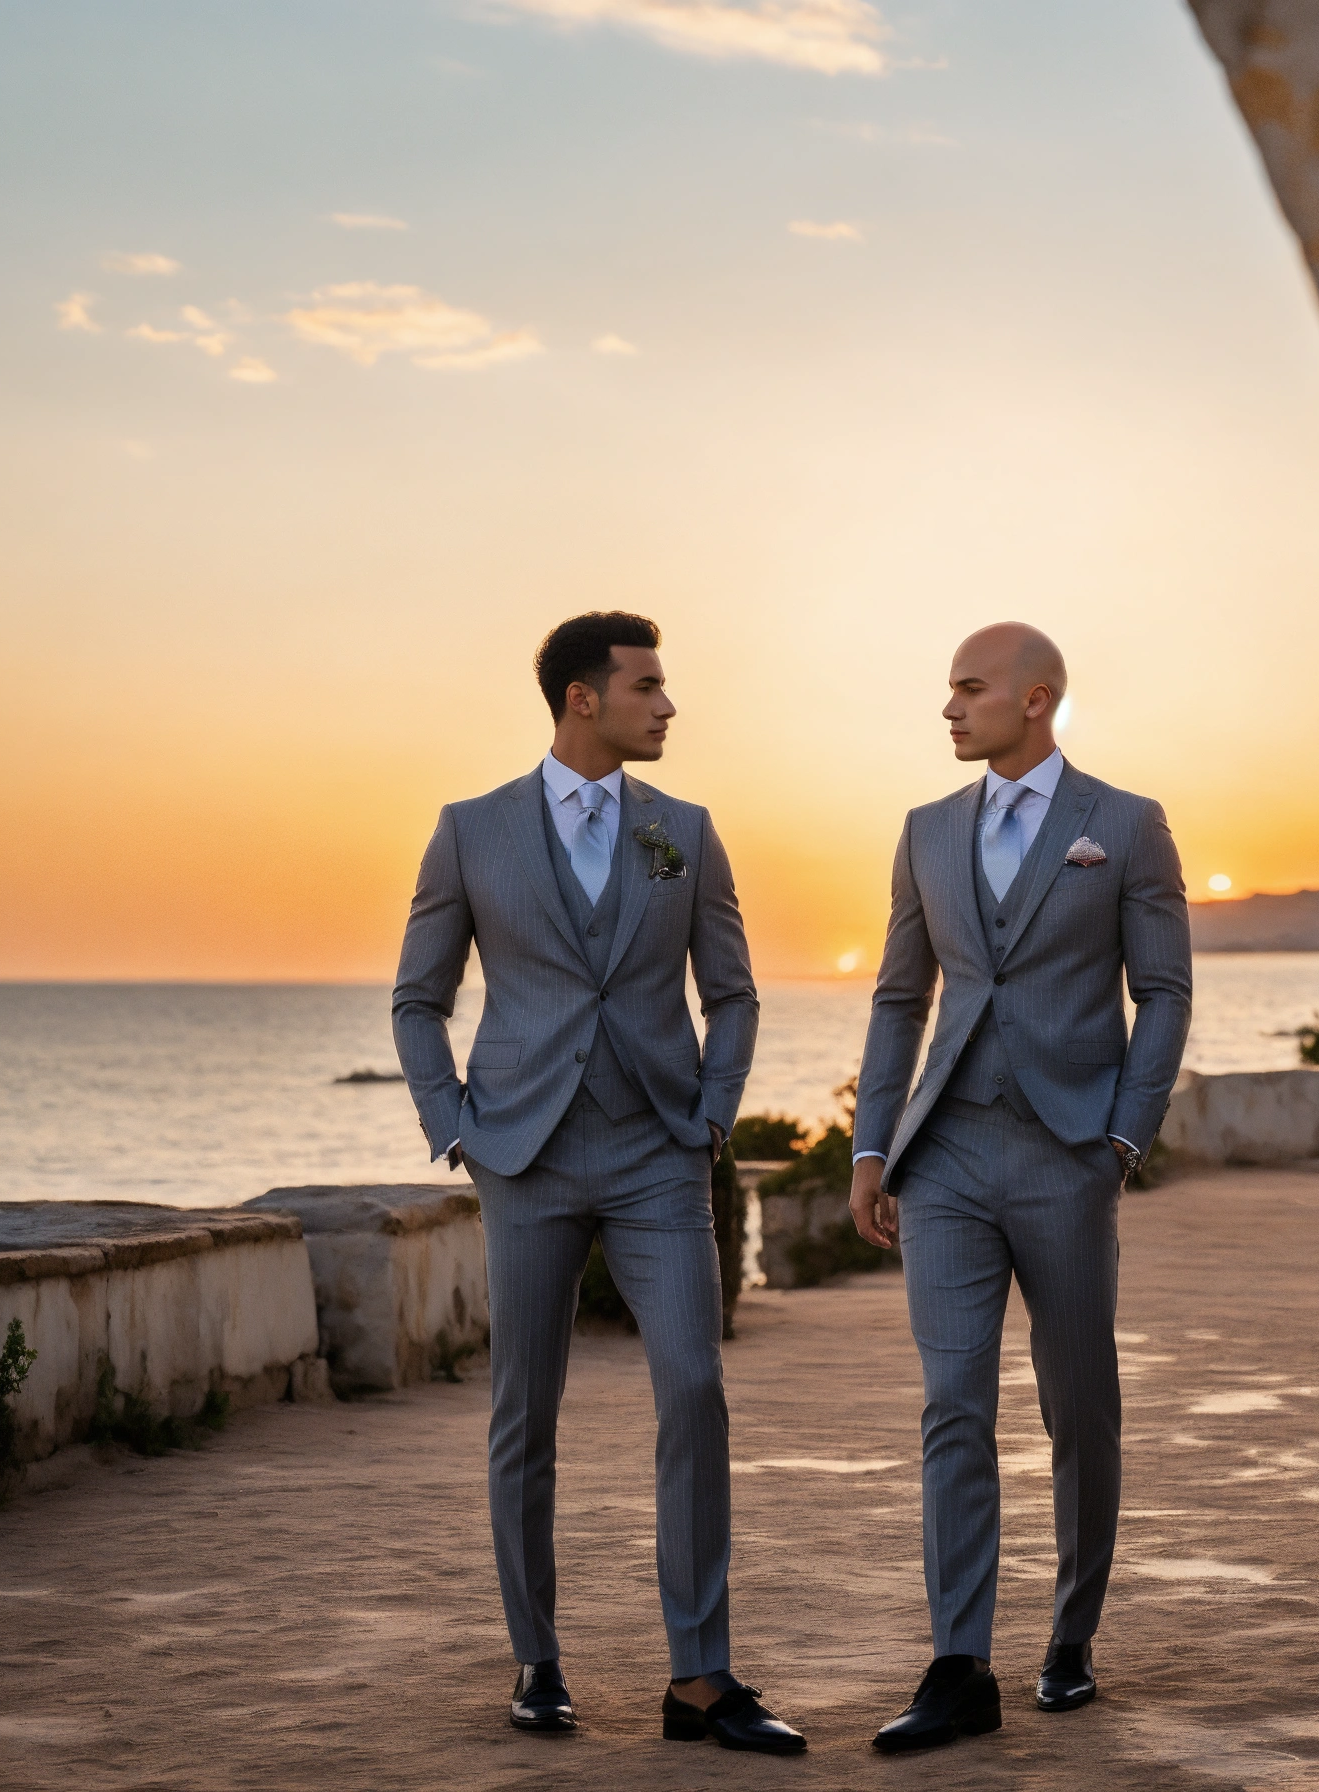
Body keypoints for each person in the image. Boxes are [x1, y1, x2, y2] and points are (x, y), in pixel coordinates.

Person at [391, 611, 806, 1755]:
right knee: (525, 1411)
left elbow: (735, 989)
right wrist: (455, 1125)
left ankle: (701, 1678)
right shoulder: (471, 833)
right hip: (522, 1156)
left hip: (656, 1155)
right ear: (584, 696)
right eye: (649, 686)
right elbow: (416, 1000)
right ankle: (538, 1662)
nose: (668, 706)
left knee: (694, 1388)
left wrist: (713, 1113)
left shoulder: (683, 830)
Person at [847, 621, 1191, 1752]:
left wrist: (1123, 1137)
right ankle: (960, 1666)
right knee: (955, 1404)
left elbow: (1166, 991)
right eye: (949, 690)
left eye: (968, 689)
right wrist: (870, 1147)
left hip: (1067, 1154)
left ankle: (1072, 1635)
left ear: (1035, 700)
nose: (948, 709)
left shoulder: (1125, 825)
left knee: (1078, 1404)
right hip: (942, 1155)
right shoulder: (926, 831)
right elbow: (902, 999)